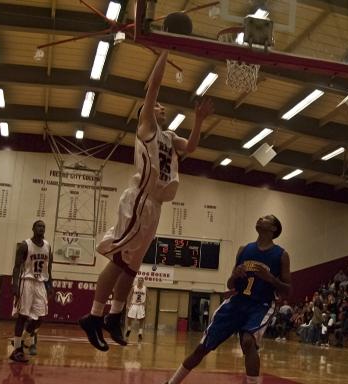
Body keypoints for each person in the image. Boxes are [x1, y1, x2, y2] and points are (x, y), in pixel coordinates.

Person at [79, 49, 214, 351]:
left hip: (156, 206)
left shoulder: (169, 137)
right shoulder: (147, 128)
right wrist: (165, 49)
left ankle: (114, 317)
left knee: (131, 267)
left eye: (163, 108)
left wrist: (199, 120)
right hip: (139, 199)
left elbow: (191, 146)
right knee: (118, 258)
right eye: (157, 107)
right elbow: (153, 88)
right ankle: (93, 316)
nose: (161, 109)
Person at [163, 215, 291, 384]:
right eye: (259, 217)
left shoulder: (281, 255)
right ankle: (172, 382)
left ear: (274, 228)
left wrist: (270, 279)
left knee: (248, 341)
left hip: (260, 305)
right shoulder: (244, 250)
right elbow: (230, 284)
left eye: (266, 218)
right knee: (202, 348)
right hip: (237, 302)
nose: (260, 218)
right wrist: (234, 275)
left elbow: (287, 290)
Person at [9, 220, 53, 363]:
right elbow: (16, 267)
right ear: (33, 228)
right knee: (22, 316)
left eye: (43, 226)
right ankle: (17, 350)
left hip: (40, 283)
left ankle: (22, 341)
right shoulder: (25, 245)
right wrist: (15, 284)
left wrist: (50, 284)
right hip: (26, 281)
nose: (41, 228)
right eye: (39, 226)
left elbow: (48, 268)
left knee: (40, 317)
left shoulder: (47, 246)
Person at [126, 277, 147, 342]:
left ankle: (140, 333)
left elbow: (148, 297)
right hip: (134, 304)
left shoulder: (145, 288)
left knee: (141, 319)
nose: (140, 281)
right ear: (137, 281)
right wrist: (128, 304)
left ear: (143, 281)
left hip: (141, 305)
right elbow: (129, 295)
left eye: (141, 280)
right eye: (139, 280)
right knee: (129, 318)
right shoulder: (134, 288)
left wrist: (146, 304)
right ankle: (129, 329)